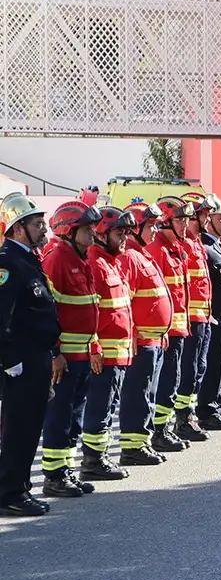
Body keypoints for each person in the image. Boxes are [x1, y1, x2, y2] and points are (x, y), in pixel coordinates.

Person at [0, 193, 60, 516]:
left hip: (36, 356)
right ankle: (10, 492)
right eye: (37, 224)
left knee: (30, 425)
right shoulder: (8, 262)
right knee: (19, 428)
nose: (43, 229)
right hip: (20, 361)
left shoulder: (27, 260)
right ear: (18, 227)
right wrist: (10, 362)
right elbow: (2, 317)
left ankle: (19, 487)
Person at [38, 200, 103, 497]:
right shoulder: (57, 259)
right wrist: (55, 353)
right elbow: (47, 311)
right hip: (64, 358)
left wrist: (94, 346)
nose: (93, 234)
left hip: (81, 355)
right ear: (69, 230)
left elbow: (90, 307)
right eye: (87, 229)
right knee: (59, 417)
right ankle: (53, 477)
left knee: (73, 417)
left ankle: (66, 471)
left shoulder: (80, 258)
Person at [78, 206, 142, 483]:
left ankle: (100, 456)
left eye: (127, 232)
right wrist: (95, 348)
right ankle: (93, 460)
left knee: (108, 406)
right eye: (120, 232)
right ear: (103, 235)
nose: (125, 238)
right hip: (103, 354)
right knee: (99, 407)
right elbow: (89, 313)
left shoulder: (112, 262)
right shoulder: (95, 263)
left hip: (119, 352)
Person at [118, 202, 175, 461]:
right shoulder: (130, 257)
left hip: (153, 339)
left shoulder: (142, 254)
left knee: (148, 392)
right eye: (151, 225)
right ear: (135, 228)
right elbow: (125, 303)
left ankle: (142, 441)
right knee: (137, 393)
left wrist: (161, 332)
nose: (155, 230)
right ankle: (132, 447)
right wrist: (132, 337)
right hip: (141, 341)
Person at [148, 196, 202, 446]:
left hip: (179, 328)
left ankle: (165, 427)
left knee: (174, 379)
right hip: (167, 333)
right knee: (166, 381)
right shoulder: (158, 250)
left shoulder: (175, 248)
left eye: (187, 219)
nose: (185, 224)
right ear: (165, 223)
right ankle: (158, 431)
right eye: (180, 220)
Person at [186, 193, 221, 432]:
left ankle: (215, 406)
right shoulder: (203, 245)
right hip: (212, 316)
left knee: (219, 366)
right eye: (218, 217)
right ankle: (207, 410)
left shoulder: (215, 244)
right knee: (211, 366)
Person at [176, 192, 215, 439]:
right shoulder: (184, 245)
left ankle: (188, 414)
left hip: (203, 317)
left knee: (198, 368)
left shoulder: (197, 242)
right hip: (190, 320)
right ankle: (183, 418)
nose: (208, 219)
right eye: (203, 215)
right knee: (188, 370)